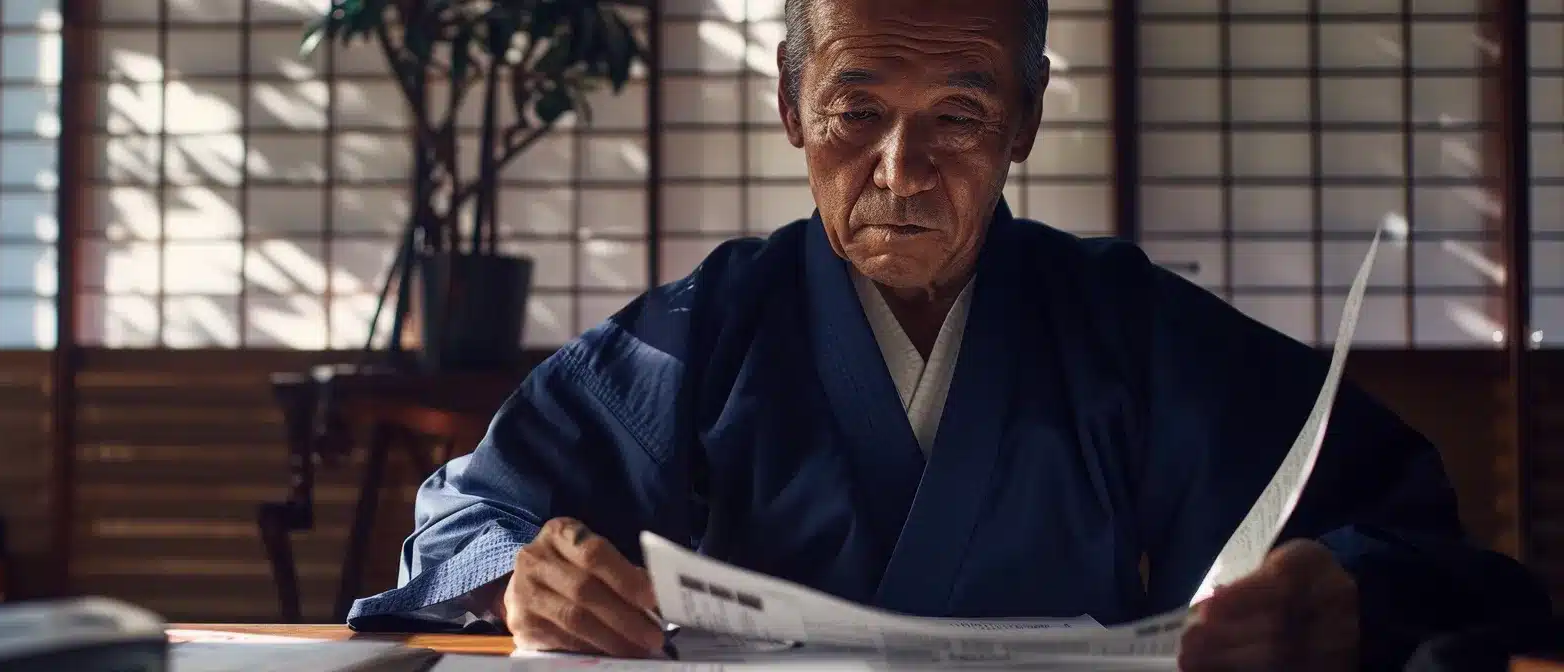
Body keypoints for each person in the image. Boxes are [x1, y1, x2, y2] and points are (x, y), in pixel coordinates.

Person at [346, 0, 1552, 667]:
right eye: (855, 111)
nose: (901, 170)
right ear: (788, 108)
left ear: (1025, 117)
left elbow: (1408, 534)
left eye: (959, 114)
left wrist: (1342, 594)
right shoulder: (702, 330)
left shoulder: (1128, 328)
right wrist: (522, 577)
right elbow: (467, 517)